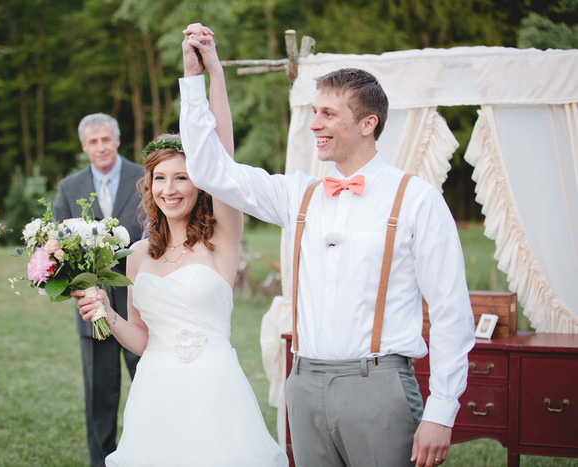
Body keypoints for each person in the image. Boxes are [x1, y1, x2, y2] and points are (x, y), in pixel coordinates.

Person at [179, 23, 476, 467]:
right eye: (314, 111)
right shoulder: (298, 194)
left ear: (367, 123)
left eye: (328, 114)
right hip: (304, 384)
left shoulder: (417, 200)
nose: (314, 124)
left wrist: (443, 409)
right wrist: (195, 78)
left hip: (379, 387)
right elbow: (208, 170)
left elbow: (452, 311)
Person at [73, 32, 287, 467]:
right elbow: (142, 339)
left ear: (200, 183)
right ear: (149, 186)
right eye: (160, 179)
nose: (170, 189)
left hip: (215, 394)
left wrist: (212, 76)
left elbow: (222, 153)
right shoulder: (136, 255)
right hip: (156, 394)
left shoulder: (222, 237)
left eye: (182, 177)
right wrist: (107, 314)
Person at [53, 113, 144, 466]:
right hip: (93, 308)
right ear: (83, 147)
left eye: (106, 139)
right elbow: (57, 243)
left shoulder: (143, 176)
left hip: (140, 300)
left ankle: (148, 453)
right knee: (100, 396)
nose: (100, 147)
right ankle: (101, 461)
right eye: (93, 142)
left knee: (147, 383)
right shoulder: (69, 188)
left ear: (117, 140)